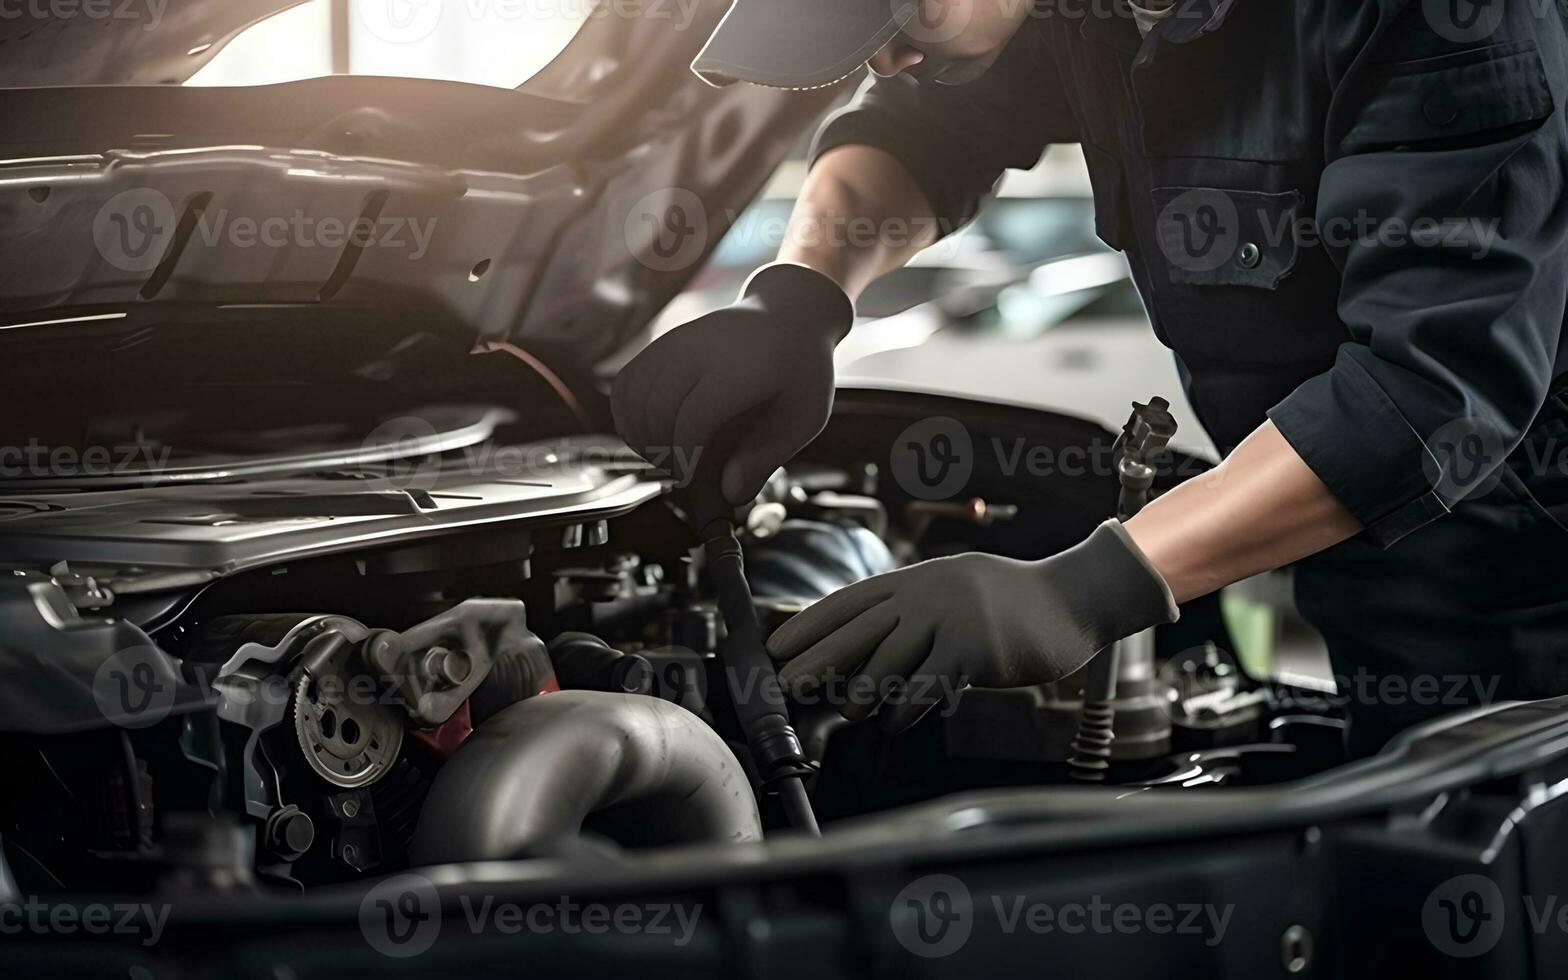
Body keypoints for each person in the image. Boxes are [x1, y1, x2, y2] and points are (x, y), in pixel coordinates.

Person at [612, 0, 1568, 756]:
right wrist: (801, 298)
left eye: (908, 17)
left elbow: (1426, 393)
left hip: (1527, 577)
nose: (888, 55)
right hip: (1364, 561)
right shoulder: (1084, 15)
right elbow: (923, 130)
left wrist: (1088, 588)